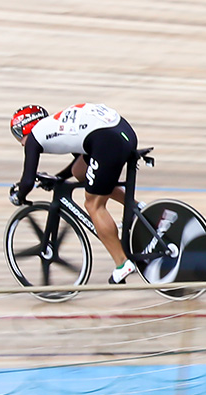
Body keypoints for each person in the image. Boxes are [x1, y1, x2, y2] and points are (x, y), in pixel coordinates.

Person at [9, 103, 140, 284]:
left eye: (17, 136)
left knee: (93, 204)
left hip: (107, 140)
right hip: (122, 133)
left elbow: (27, 181)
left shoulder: (34, 138)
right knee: (82, 172)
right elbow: (80, 162)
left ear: (23, 129)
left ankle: (122, 263)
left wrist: (19, 196)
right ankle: (138, 209)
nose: (21, 142)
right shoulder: (56, 125)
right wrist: (58, 178)